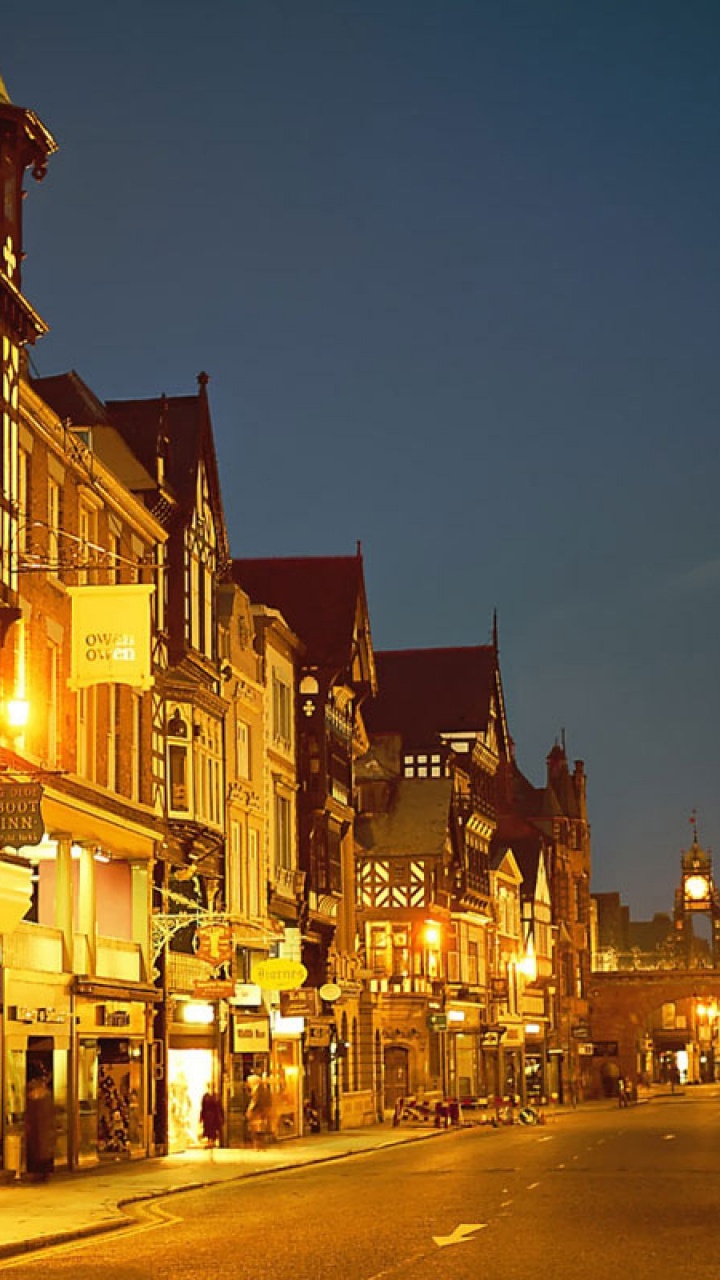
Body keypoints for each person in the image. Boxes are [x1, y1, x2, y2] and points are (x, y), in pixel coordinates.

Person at [25, 1074, 56, 1181]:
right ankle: (43, 1173)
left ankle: (40, 1173)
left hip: (39, 1130)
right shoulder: (46, 1096)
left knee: (39, 1151)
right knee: (42, 1151)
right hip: (42, 1130)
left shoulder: (36, 1098)